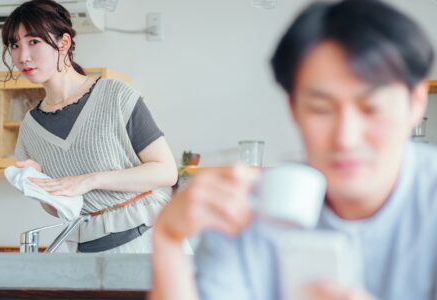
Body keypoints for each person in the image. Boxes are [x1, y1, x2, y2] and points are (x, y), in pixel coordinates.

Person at [151, 0, 437, 299]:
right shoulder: (250, 210)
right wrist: (168, 240)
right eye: (321, 109)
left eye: (371, 108)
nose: (346, 138)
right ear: (293, 107)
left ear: (416, 102)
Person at [1, 0, 177, 253]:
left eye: (33, 41)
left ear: (63, 43)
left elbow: (166, 172)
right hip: (84, 251)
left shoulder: (115, 95)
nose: (22, 56)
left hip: (146, 241)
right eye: (14, 45)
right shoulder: (30, 128)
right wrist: (37, 184)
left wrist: (90, 180)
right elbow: (57, 208)